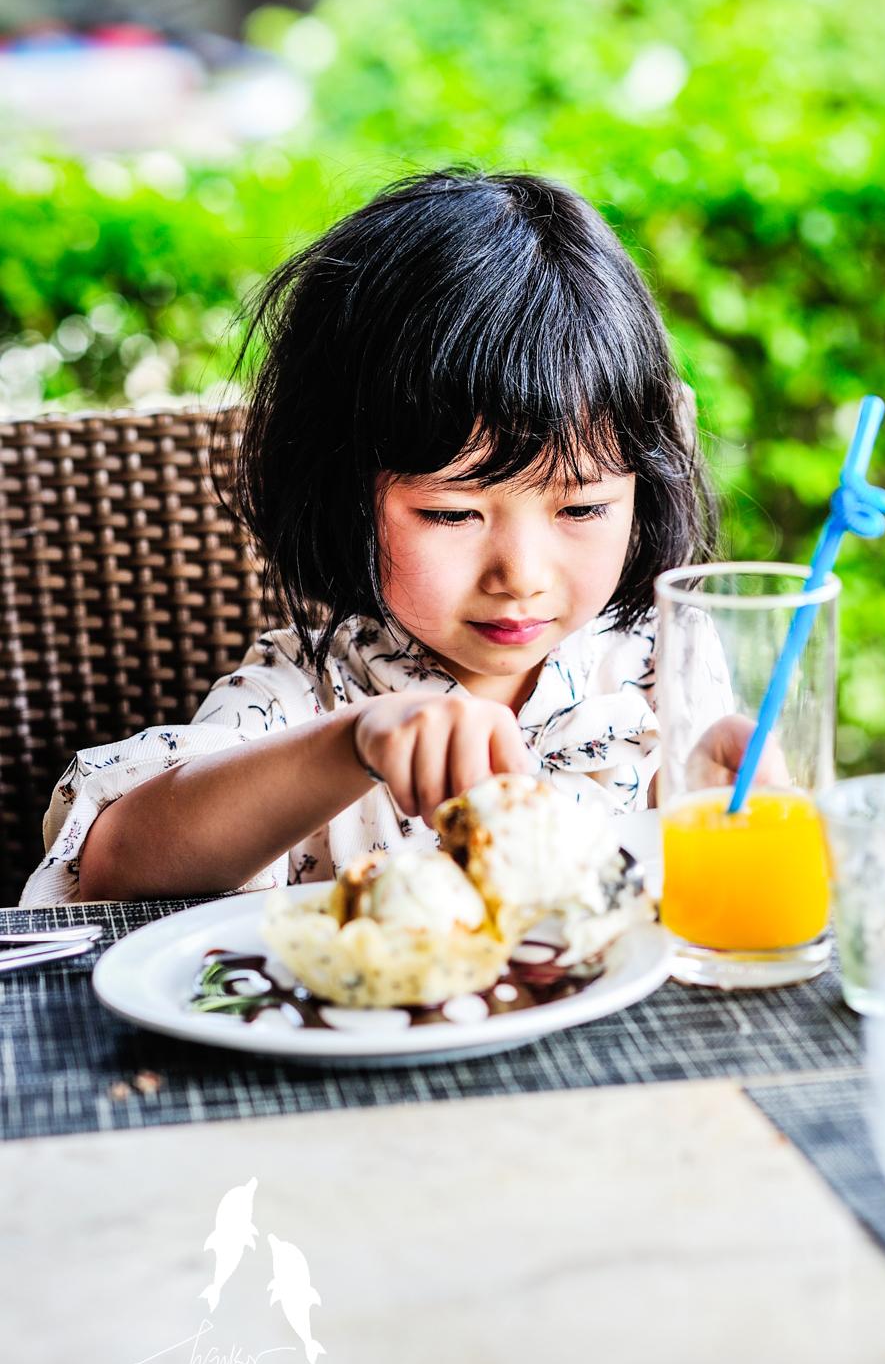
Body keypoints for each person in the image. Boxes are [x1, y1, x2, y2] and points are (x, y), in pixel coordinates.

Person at [21, 169, 756, 908]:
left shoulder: (660, 663)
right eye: (451, 514)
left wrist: (737, 805)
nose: (522, 575)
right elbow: (116, 870)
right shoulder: (305, 695)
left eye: (582, 509)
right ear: (341, 495)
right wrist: (351, 743)